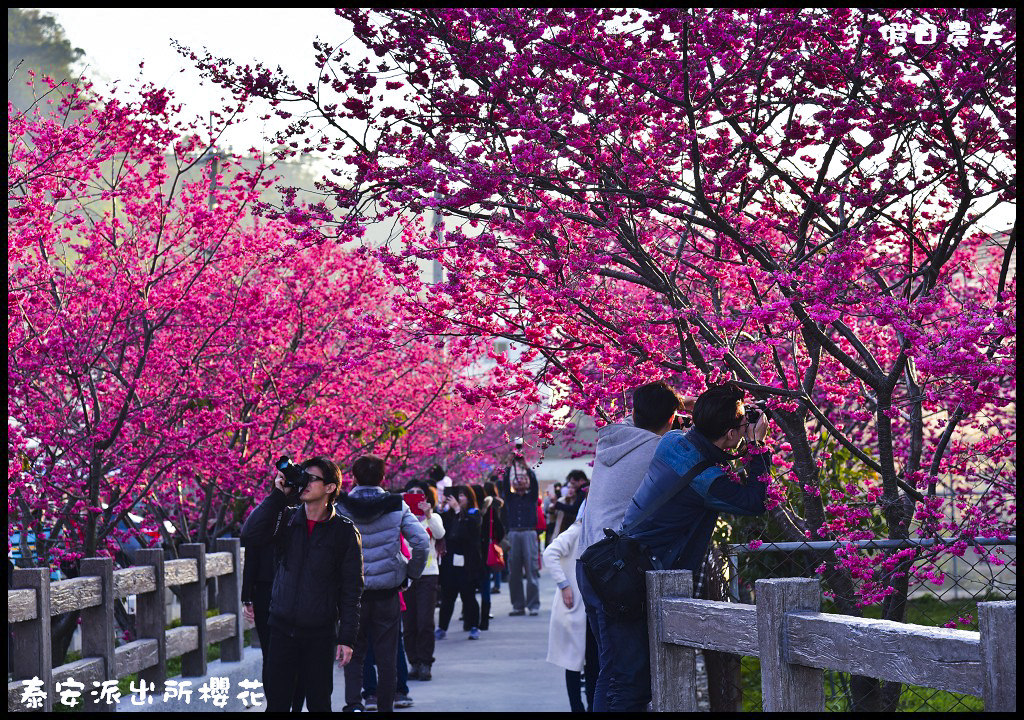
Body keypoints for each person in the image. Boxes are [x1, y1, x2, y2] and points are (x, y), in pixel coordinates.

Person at [602, 381, 772, 711]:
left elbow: (699, 432)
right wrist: (757, 445)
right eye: (739, 427)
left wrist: (721, 411)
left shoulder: (671, 441)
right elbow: (755, 501)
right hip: (644, 577)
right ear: (729, 434)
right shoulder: (706, 481)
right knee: (633, 685)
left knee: (616, 678)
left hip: (620, 562)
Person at [574, 380, 685, 712]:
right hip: (614, 569)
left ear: (633, 412)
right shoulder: (662, 449)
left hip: (588, 563)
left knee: (610, 670)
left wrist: (677, 407)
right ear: (673, 418)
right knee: (629, 679)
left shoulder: (613, 440)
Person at [240, 456, 362, 713]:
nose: (305, 482)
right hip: (281, 628)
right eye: (303, 476)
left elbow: (351, 590)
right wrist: (278, 496)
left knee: (319, 704)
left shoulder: (344, 532)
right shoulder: (286, 519)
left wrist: (347, 638)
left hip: (319, 632)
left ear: (330, 488)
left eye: (313, 478)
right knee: (277, 705)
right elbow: (250, 535)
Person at [335, 455, 429, 713]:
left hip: (352, 595)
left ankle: (354, 705)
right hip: (388, 592)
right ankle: (386, 707)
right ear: (383, 478)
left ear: (352, 477)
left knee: (352, 653)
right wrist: (412, 573)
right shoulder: (396, 504)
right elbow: (421, 542)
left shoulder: (340, 506)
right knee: (387, 657)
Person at [543, 504, 598, 713]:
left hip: (590, 607)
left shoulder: (595, 531)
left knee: (593, 662)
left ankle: (592, 706)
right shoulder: (576, 531)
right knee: (574, 662)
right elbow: (550, 554)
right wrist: (564, 585)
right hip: (574, 607)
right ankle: (578, 707)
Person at [402, 481, 445, 681]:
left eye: (420, 493)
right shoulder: (401, 517)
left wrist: (428, 515)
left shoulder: (433, 517)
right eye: (411, 493)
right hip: (406, 575)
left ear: (426, 497)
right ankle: (414, 662)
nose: (416, 495)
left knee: (425, 622)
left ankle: (426, 662)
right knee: (409, 623)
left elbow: (439, 534)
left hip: (428, 574)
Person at [436, 485, 484, 640]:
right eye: (456, 496)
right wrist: (442, 509)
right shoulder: (448, 516)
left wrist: (458, 511)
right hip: (450, 563)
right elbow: (440, 531)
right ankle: (442, 628)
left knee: (468, 596)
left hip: (467, 563)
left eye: (462, 496)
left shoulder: (473, 514)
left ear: (469, 498)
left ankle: (474, 626)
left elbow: (467, 533)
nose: (458, 499)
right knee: (447, 597)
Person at [500, 453, 541, 616]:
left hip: (529, 533)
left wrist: (524, 466)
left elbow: (535, 483)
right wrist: (510, 466)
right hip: (514, 534)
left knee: (532, 570)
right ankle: (518, 605)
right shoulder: (510, 498)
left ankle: (533, 605)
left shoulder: (532, 497)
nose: (520, 481)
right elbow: (504, 485)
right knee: (514, 571)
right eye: (517, 480)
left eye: (523, 479)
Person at [471, 483, 505, 630]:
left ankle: (470, 620)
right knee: (485, 587)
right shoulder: (490, 511)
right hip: (485, 553)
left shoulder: (470, 512)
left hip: (472, 554)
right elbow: (501, 530)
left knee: (470, 589)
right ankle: (484, 620)